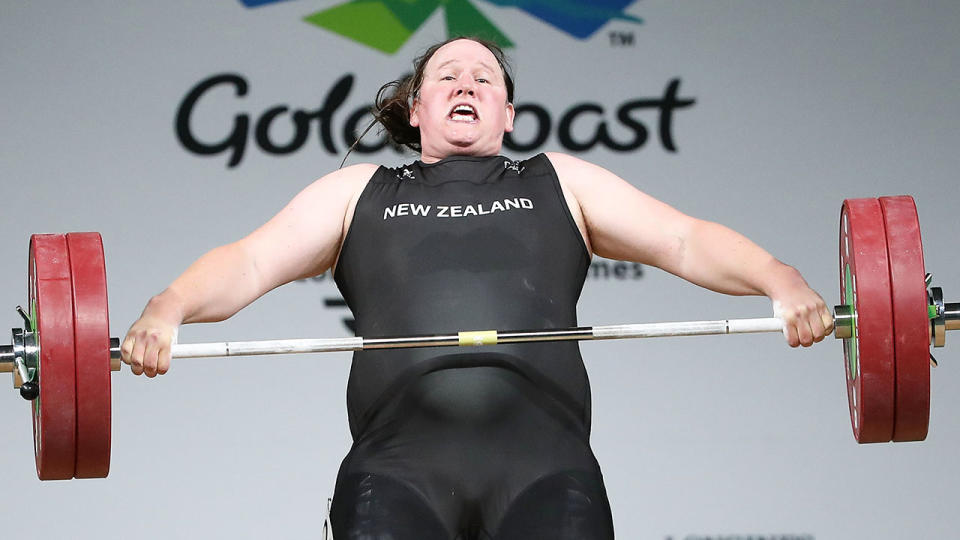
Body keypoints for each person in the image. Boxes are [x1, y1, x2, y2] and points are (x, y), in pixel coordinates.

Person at [122, 37, 833, 539]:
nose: (466, 84)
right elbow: (247, 264)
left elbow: (684, 240)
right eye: (447, 76)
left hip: (547, 471)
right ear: (416, 110)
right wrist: (168, 307)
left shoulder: (562, 182)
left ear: (508, 115)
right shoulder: (356, 193)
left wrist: (782, 279)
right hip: (395, 473)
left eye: (484, 77)